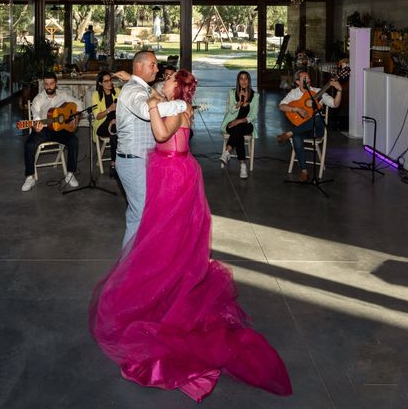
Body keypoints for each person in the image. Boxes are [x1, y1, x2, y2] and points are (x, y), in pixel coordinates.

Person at [90, 69, 292, 402]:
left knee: (165, 236)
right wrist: (151, 93)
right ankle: (166, 281)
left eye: (168, 80)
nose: (163, 82)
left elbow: (159, 133)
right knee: (164, 234)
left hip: (173, 174)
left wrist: (154, 104)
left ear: (178, 87)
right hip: (170, 170)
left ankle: (167, 290)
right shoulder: (178, 104)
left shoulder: (179, 109)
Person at [113, 50, 189, 247]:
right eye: (153, 65)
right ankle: (128, 268)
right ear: (139, 66)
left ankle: (136, 261)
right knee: (140, 215)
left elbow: (152, 95)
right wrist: (181, 104)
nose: (157, 69)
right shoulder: (132, 91)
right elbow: (148, 111)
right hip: (133, 160)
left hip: (142, 160)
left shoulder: (142, 88)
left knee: (139, 213)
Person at [277, 69, 342, 181]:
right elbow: (281, 106)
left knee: (317, 118)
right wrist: (296, 109)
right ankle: (304, 171)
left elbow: (335, 104)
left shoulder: (318, 92)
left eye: (309, 78)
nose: (309, 80)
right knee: (297, 137)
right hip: (302, 129)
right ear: (298, 82)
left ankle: (290, 133)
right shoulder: (294, 93)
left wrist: (339, 90)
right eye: (305, 79)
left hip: (316, 130)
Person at [21, 72, 82, 192]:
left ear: (56, 84)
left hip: (60, 129)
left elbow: (79, 103)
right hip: (43, 129)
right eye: (46, 84)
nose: (49, 86)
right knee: (29, 145)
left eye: (51, 83)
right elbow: (36, 114)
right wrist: (37, 124)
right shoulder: (38, 98)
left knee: (74, 140)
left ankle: (70, 174)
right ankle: (30, 177)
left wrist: (76, 117)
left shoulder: (63, 95)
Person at [219, 70, 259, 180]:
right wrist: (238, 104)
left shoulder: (255, 96)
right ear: (238, 81)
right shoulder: (232, 93)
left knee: (239, 128)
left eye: (246, 78)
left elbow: (254, 115)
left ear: (249, 81)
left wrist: (240, 121)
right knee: (238, 133)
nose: (244, 81)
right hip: (231, 123)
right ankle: (242, 165)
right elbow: (230, 111)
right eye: (241, 79)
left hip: (247, 124)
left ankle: (227, 151)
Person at [92, 70, 121, 178]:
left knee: (115, 131)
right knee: (115, 130)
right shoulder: (96, 95)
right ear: (100, 83)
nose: (110, 83)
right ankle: (115, 163)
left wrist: (116, 119)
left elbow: (124, 109)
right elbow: (98, 116)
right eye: (106, 81)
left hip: (117, 122)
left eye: (110, 80)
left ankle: (114, 163)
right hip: (101, 124)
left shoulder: (117, 91)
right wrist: (110, 109)